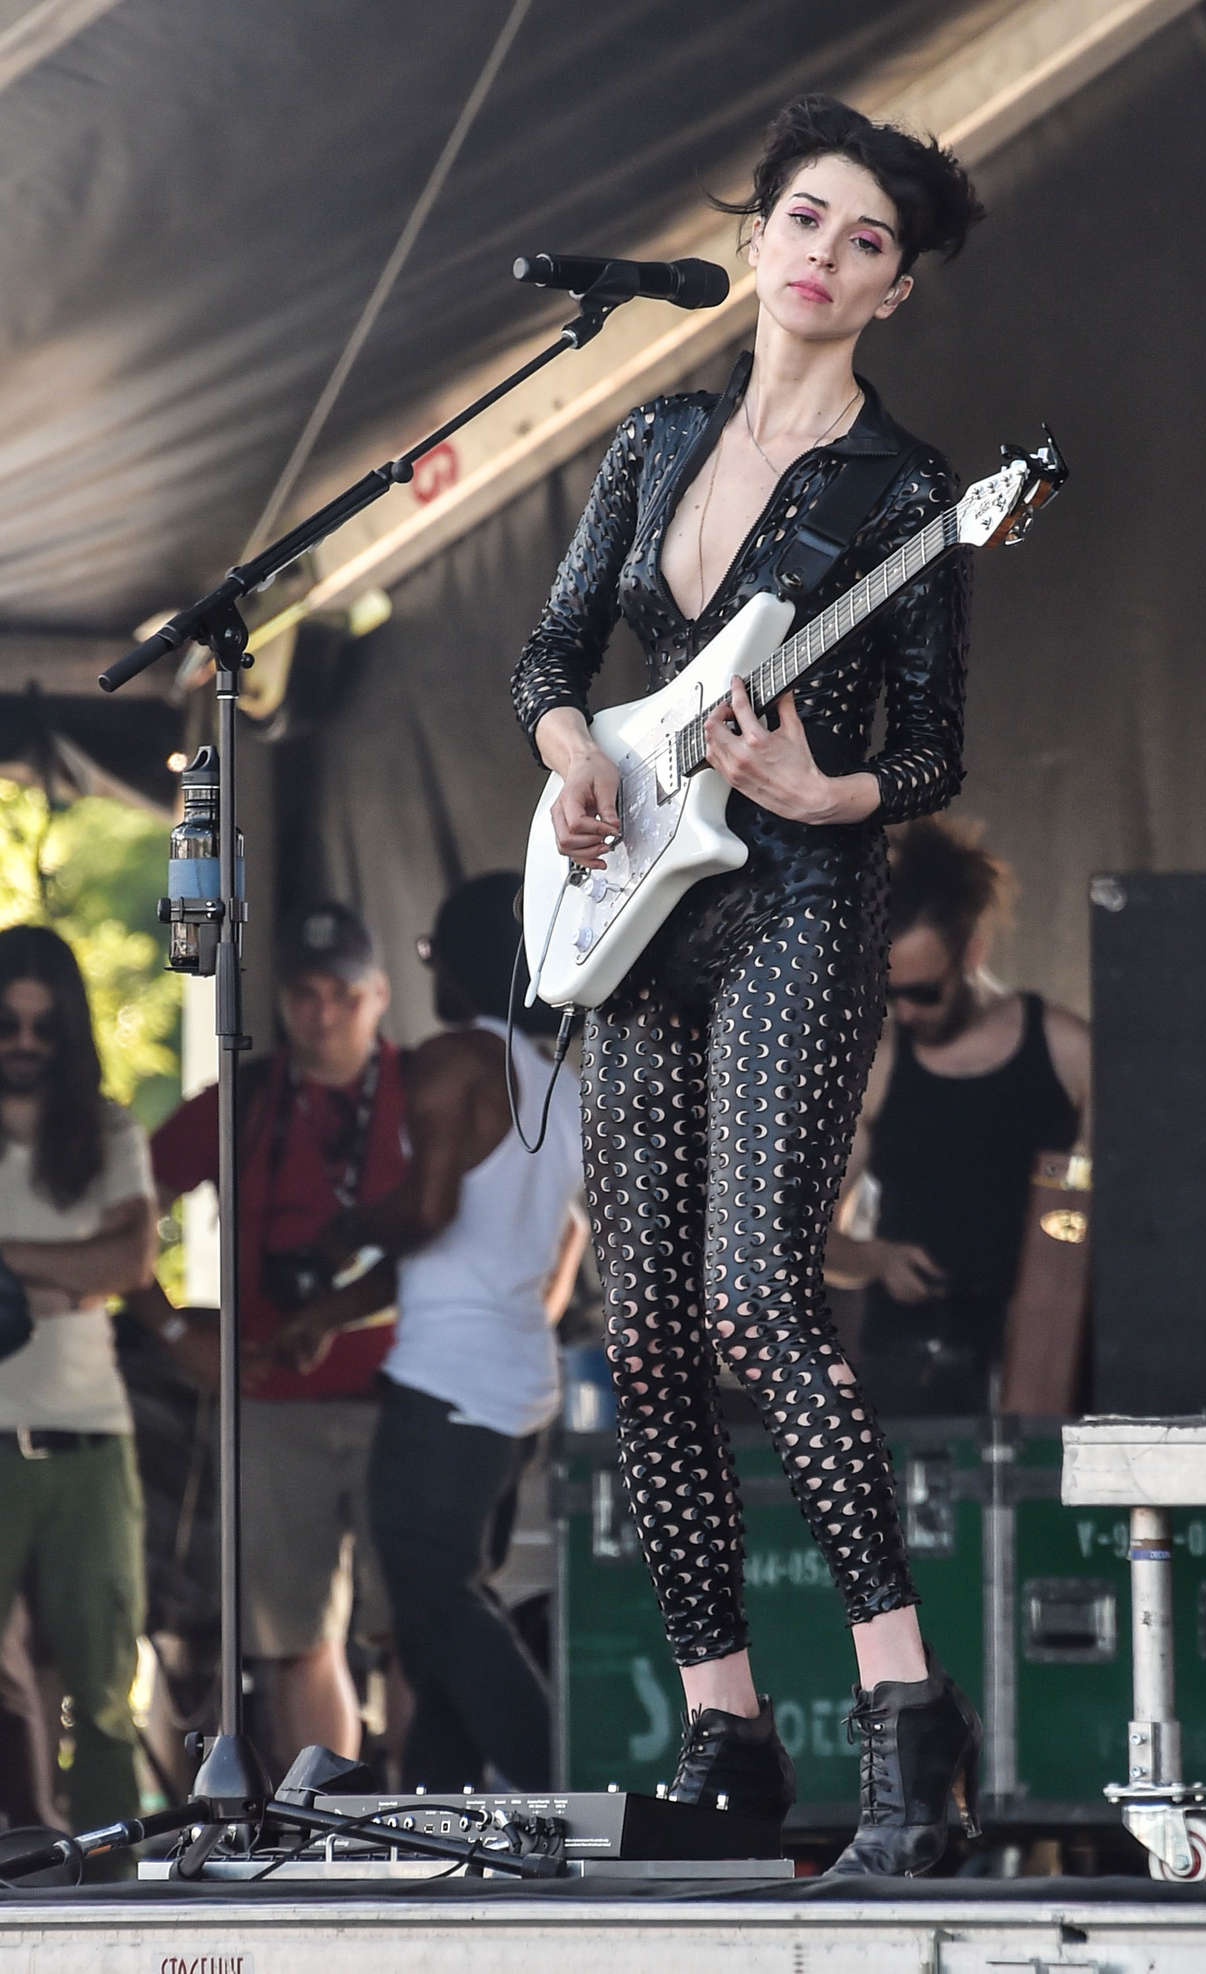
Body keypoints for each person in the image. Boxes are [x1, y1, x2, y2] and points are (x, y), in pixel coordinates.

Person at [512, 95, 986, 1875]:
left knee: (752, 1298)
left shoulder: (911, 489)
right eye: (805, 218)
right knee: (634, 1326)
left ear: (893, 290)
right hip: (642, 898)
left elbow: (934, 747)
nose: (823, 253)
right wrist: (574, 754)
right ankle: (728, 1731)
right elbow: (553, 655)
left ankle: (907, 1727)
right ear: (760, 235)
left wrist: (825, 788)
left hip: (796, 892)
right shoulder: (655, 437)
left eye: (866, 240)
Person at [274, 872, 586, 1791]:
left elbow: (429, 1211)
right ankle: (435, 1805)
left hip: (446, 1388)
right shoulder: (558, 1084)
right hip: (518, 1381)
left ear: (450, 964)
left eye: (425, 955)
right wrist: (328, 1315)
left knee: (438, 1603)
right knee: (434, 1613)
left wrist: (346, 1227)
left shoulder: (452, 1059)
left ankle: (552, 1780)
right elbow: (480, 1249)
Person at [147, 901, 406, 1774]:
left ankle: (427, 1810)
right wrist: (171, 1327)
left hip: (402, 1396)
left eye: (342, 992)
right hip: (268, 1405)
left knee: (412, 1629)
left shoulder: (425, 1093)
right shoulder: (244, 1100)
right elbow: (112, 1200)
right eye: (304, 992)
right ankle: (325, 1826)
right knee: (294, 1634)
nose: (323, 1011)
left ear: (379, 997)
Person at [826, 819, 1092, 1417]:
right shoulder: (880, 1071)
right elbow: (801, 1239)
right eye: (888, 995)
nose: (906, 1013)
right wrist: (877, 1258)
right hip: (913, 1366)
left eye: (924, 992)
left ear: (972, 951)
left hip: (1047, 1361)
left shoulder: (1068, 1051)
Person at [0, 924, 156, 1833]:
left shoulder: (107, 1129)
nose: (22, 1044)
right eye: (6, 1025)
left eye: (41, 1028)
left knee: (103, 1690)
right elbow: (95, 1264)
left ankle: (112, 1885)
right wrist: (65, 1274)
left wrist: (8, 1271)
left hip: (93, 1437)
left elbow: (130, 1260)